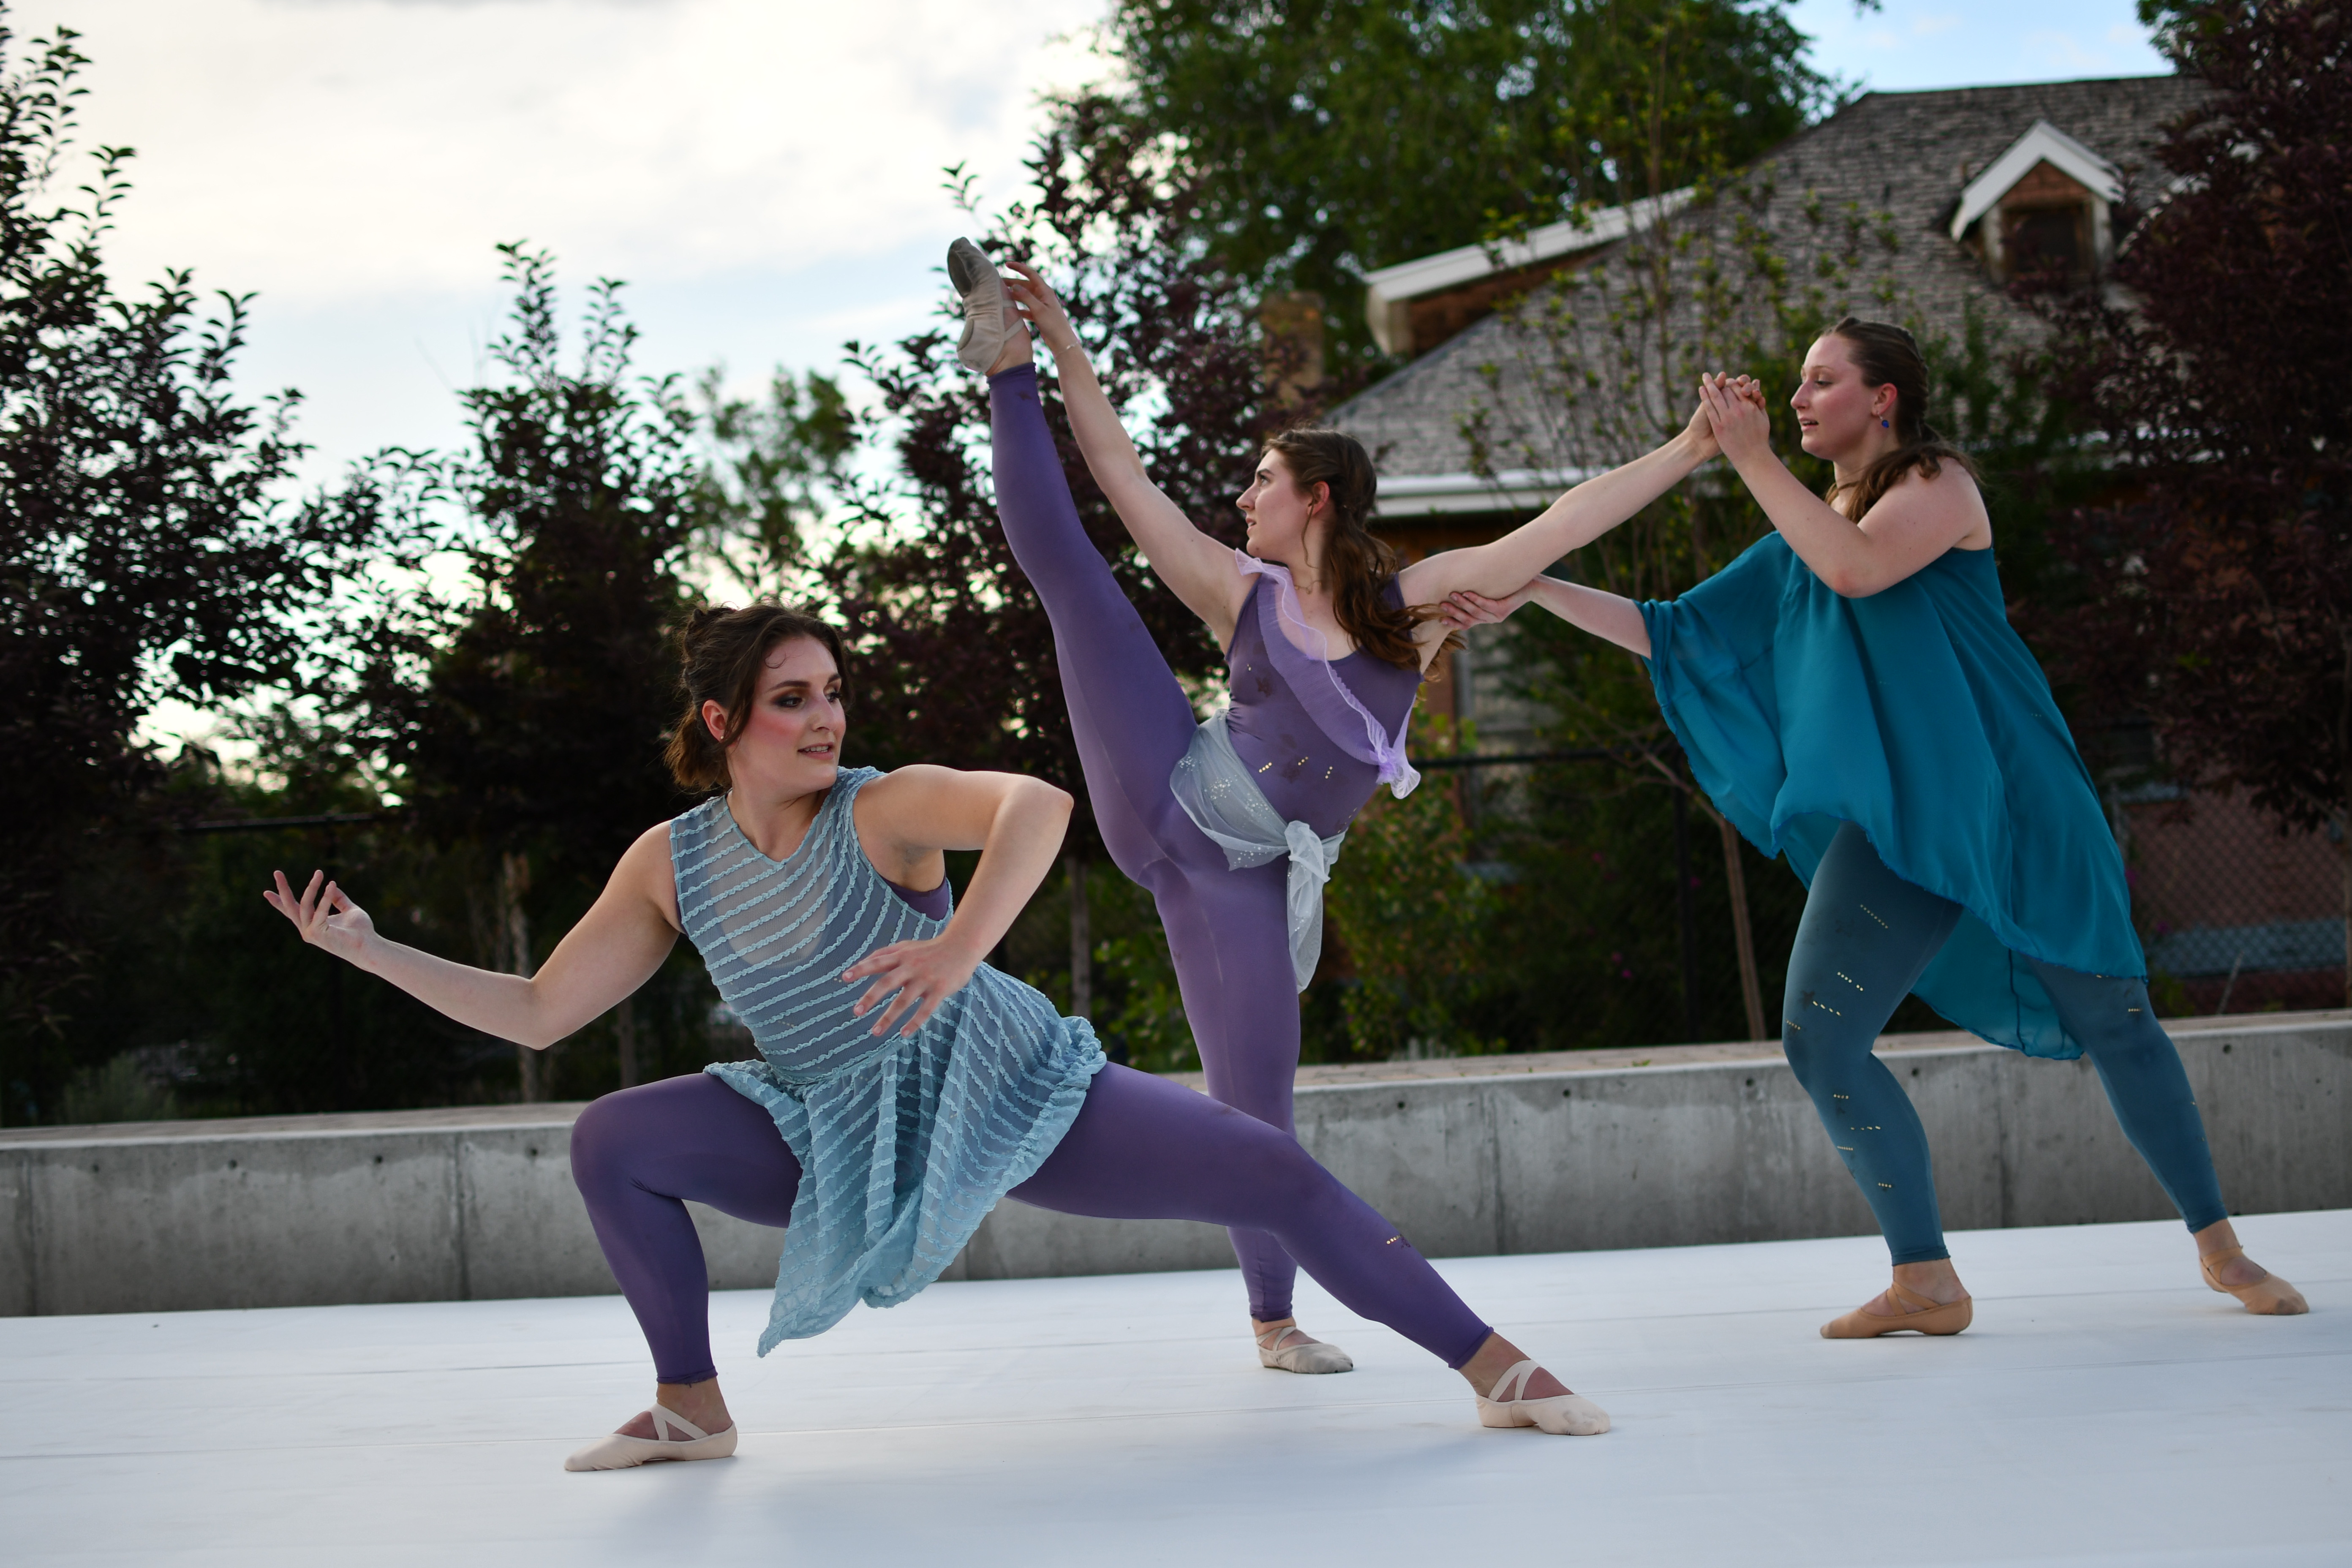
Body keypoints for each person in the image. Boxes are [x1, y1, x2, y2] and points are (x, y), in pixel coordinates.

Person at [264, 603, 1611, 1470]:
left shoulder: (882, 805)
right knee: (612, 1137)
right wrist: (369, 950)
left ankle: (1495, 1368)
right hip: (832, 1124)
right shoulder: (670, 862)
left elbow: (1036, 806)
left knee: (1271, 1171)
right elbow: (541, 1011)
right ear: (723, 722)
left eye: (833, 691)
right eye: (793, 698)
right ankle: (691, 1406)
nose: (826, 717)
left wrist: (959, 948)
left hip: (1004, 1085)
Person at [949, 237, 1747, 1371]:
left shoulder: (1411, 611)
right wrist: (1060, 343)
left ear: (1316, 497)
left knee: (1255, 1113)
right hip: (1169, 791)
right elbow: (1119, 471)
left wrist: (1691, 446)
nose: (1244, 498)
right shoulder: (1236, 587)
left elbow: (1560, 525)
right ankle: (1005, 366)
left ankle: (1272, 1323)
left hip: (1248, 884)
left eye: (1263, 482)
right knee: (1078, 581)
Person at [1440, 318, 2308, 1336]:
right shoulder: (1804, 534)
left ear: (1883, 398)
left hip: (2013, 799)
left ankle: (2221, 1246)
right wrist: (1532, 587)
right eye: (1799, 383)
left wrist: (1752, 457)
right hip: (1896, 818)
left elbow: (1856, 568)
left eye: (1822, 380)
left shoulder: (1939, 485)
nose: (1798, 398)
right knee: (1822, 1040)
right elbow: (1674, 630)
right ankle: (1925, 1277)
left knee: (2113, 1017)